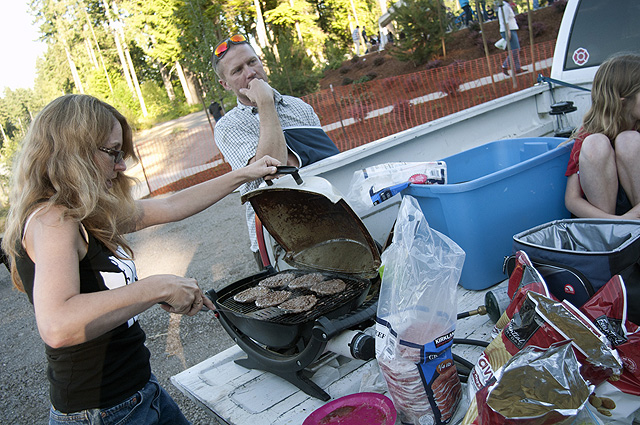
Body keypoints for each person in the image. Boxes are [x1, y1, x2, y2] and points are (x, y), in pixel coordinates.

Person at [1, 94, 280, 425]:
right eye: (113, 153)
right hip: (101, 412)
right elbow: (58, 325)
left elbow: (171, 205)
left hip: (137, 393)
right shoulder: (53, 219)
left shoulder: (85, 212)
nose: (121, 165)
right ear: (74, 150)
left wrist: (244, 175)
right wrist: (156, 288)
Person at [210, 34, 340, 268]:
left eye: (252, 62)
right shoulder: (228, 127)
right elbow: (273, 168)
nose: (250, 73)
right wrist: (265, 103)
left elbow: (326, 159)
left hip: (330, 221)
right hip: (278, 242)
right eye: (237, 70)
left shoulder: (299, 107)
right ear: (225, 84)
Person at [564, 53, 640, 219]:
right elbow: (572, 199)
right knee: (594, 143)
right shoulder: (589, 133)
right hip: (604, 217)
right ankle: (610, 236)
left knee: (630, 140)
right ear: (623, 100)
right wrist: (616, 222)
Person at [496, 0, 525, 75]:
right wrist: (508, 31)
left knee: (515, 49)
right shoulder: (504, 7)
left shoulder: (506, 6)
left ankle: (517, 68)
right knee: (515, 50)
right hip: (509, 30)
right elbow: (505, 20)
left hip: (512, 29)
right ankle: (504, 66)